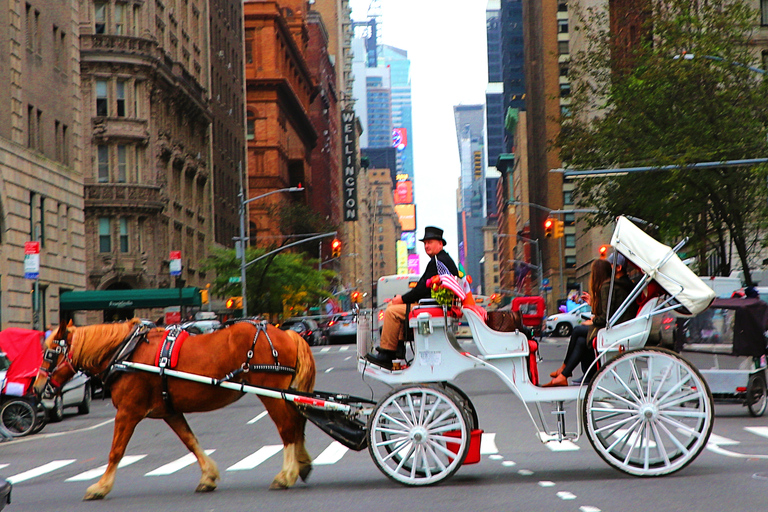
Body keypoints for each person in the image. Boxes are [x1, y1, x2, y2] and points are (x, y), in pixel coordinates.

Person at [366, 226, 459, 368]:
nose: (427, 246)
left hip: (434, 307)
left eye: (430, 242)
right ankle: (397, 348)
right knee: (393, 306)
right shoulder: (440, 259)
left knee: (392, 311)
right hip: (433, 305)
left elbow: (421, 289)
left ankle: (388, 353)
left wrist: (401, 299)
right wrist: (401, 299)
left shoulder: (438, 262)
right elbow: (422, 287)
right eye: (425, 243)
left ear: (440, 244)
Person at [545, 252, 639, 387]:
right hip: (622, 326)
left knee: (578, 330)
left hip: (615, 329)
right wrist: (593, 306)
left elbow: (606, 317)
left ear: (618, 268)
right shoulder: (625, 284)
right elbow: (609, 311)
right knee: (582, 339)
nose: (608, 269)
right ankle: (567, 373)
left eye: (610, 265)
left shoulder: (610, 286)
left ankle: (564, 371)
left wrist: (593, 321)